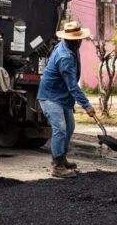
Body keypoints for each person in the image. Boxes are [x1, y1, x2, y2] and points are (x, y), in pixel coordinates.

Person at [37, 21, 96, 179]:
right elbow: (73, 86)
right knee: (60, 129)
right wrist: (87, 105)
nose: (77, 42)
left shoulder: (71, 48)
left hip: (62, 95)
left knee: (70, 127)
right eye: (73, 40)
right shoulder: (65, 57)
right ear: (67, 39)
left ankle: (61, 158)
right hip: (50, 96)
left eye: (78, 39)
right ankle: (57, 166)